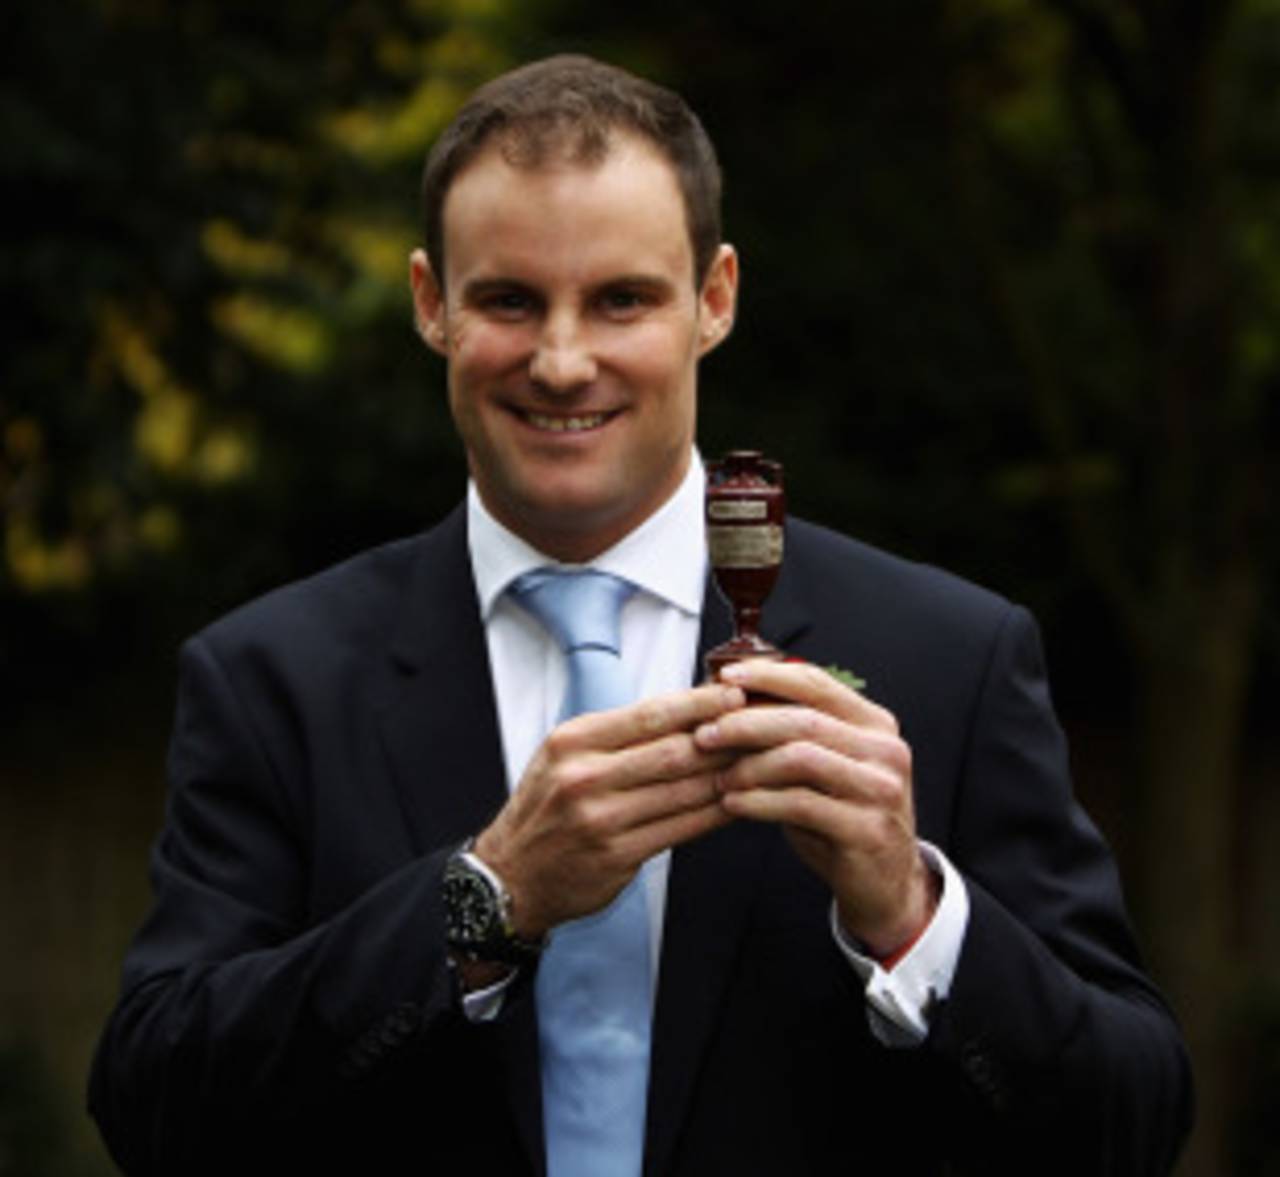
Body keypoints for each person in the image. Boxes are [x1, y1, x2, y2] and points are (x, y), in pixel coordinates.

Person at [88, 54, 1192, 1176]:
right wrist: (486, 900)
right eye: (509, 300)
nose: (562, 362)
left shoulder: (945, 657)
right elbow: (158, 1109)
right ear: (431, 305)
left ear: (714, 300)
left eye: (621, 299)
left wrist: (911, 913)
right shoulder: (271, 675)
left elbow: (1131, 1122)